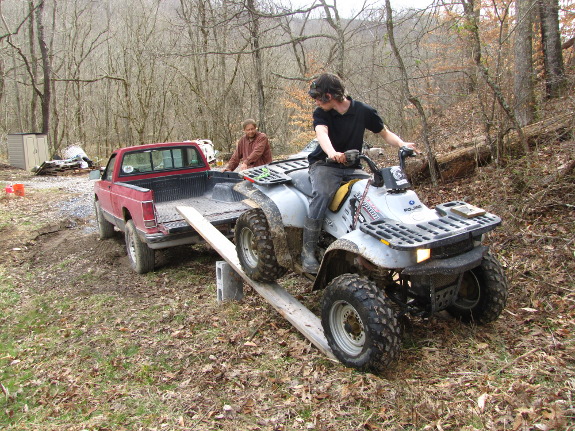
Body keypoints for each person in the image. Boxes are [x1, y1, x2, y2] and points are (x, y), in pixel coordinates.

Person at [302, 73, 419, 274]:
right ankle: (308, 252)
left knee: (377, 194)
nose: (315, 101)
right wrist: (332, 153)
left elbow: (384, 133)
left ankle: (379, 243)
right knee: (322, 194)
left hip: (353, 166)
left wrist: (402, 144)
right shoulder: (321, 113)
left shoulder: (362, 111)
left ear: (329, 95)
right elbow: (322, 134)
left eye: (317, 96)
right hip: (325, 164)